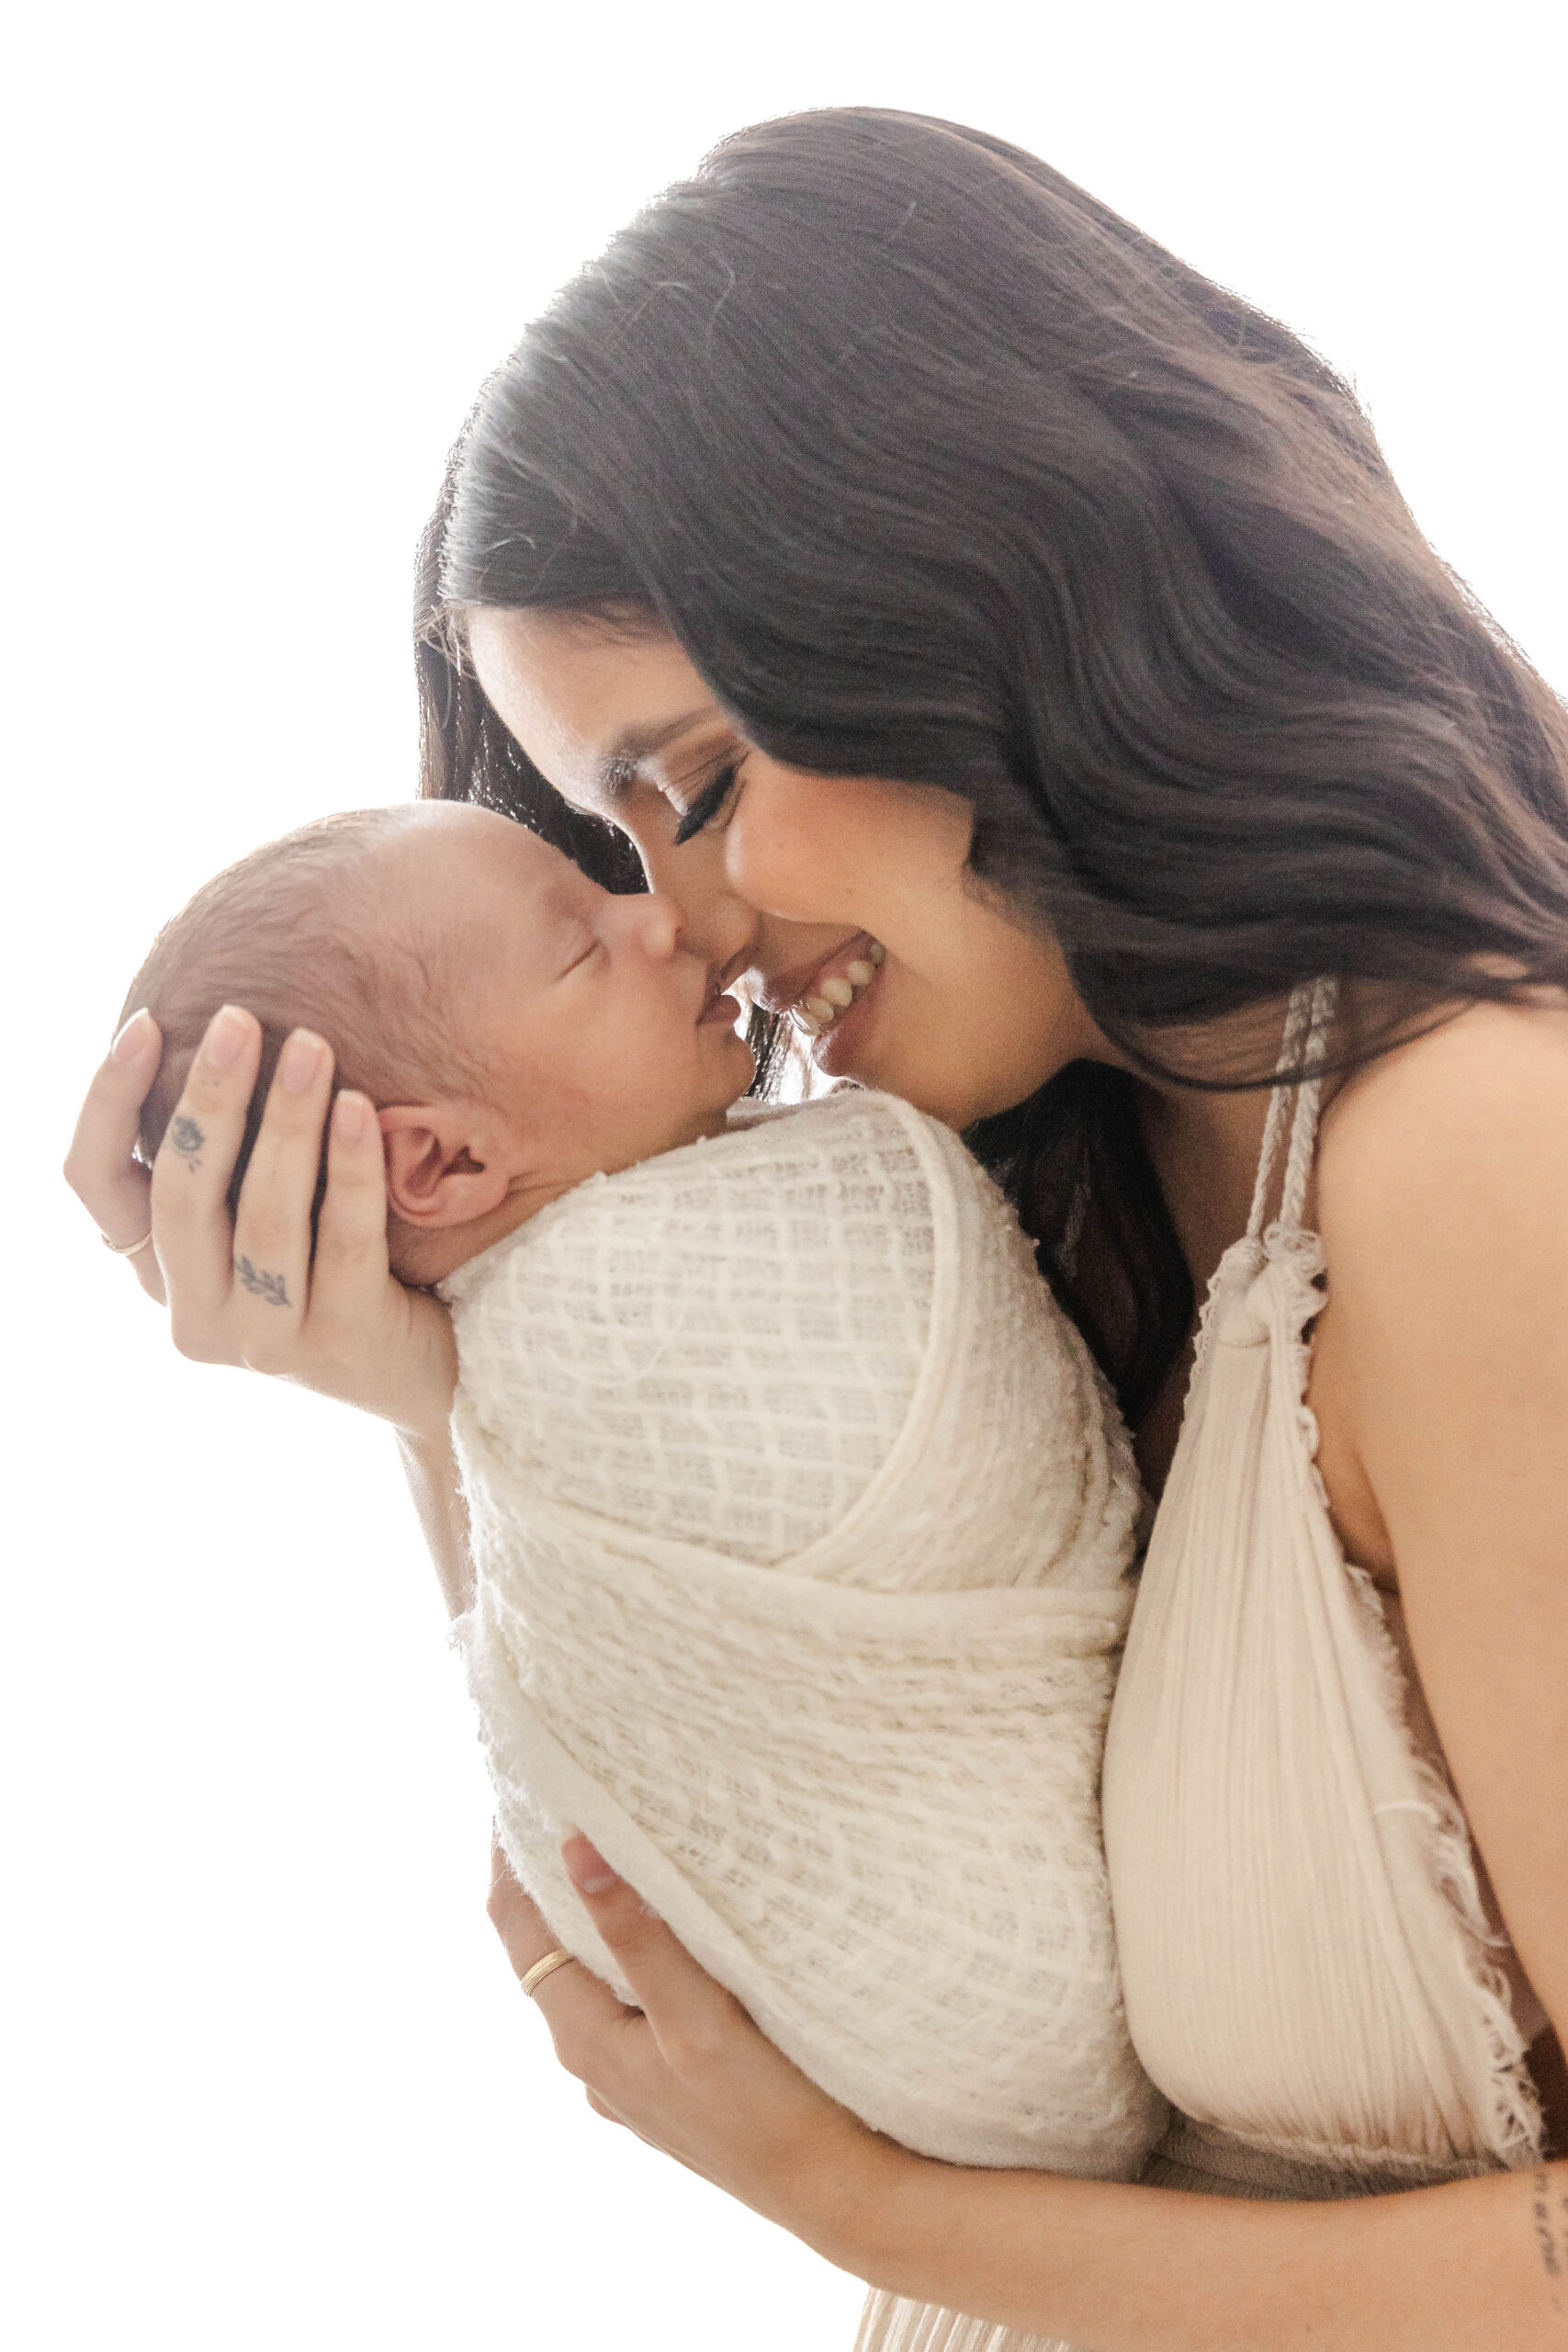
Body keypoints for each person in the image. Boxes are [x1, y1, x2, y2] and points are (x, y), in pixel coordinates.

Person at [68, 107, 1568, 2351]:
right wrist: (417, 1383)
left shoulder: (1470, 1161)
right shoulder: (1039, 1186)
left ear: (981, 587)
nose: (690, 928)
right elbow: (736, 1800)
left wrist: (850, 2203)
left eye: (688, 791)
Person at [117, 797, 1161, 2183]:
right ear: (441, 1161)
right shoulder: (577, 1341)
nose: (667, 916)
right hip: (982, 2019)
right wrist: (425, 1398)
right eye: (582, 946)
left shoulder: (544, 1353)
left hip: (974, 2140)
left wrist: (438, 1395)